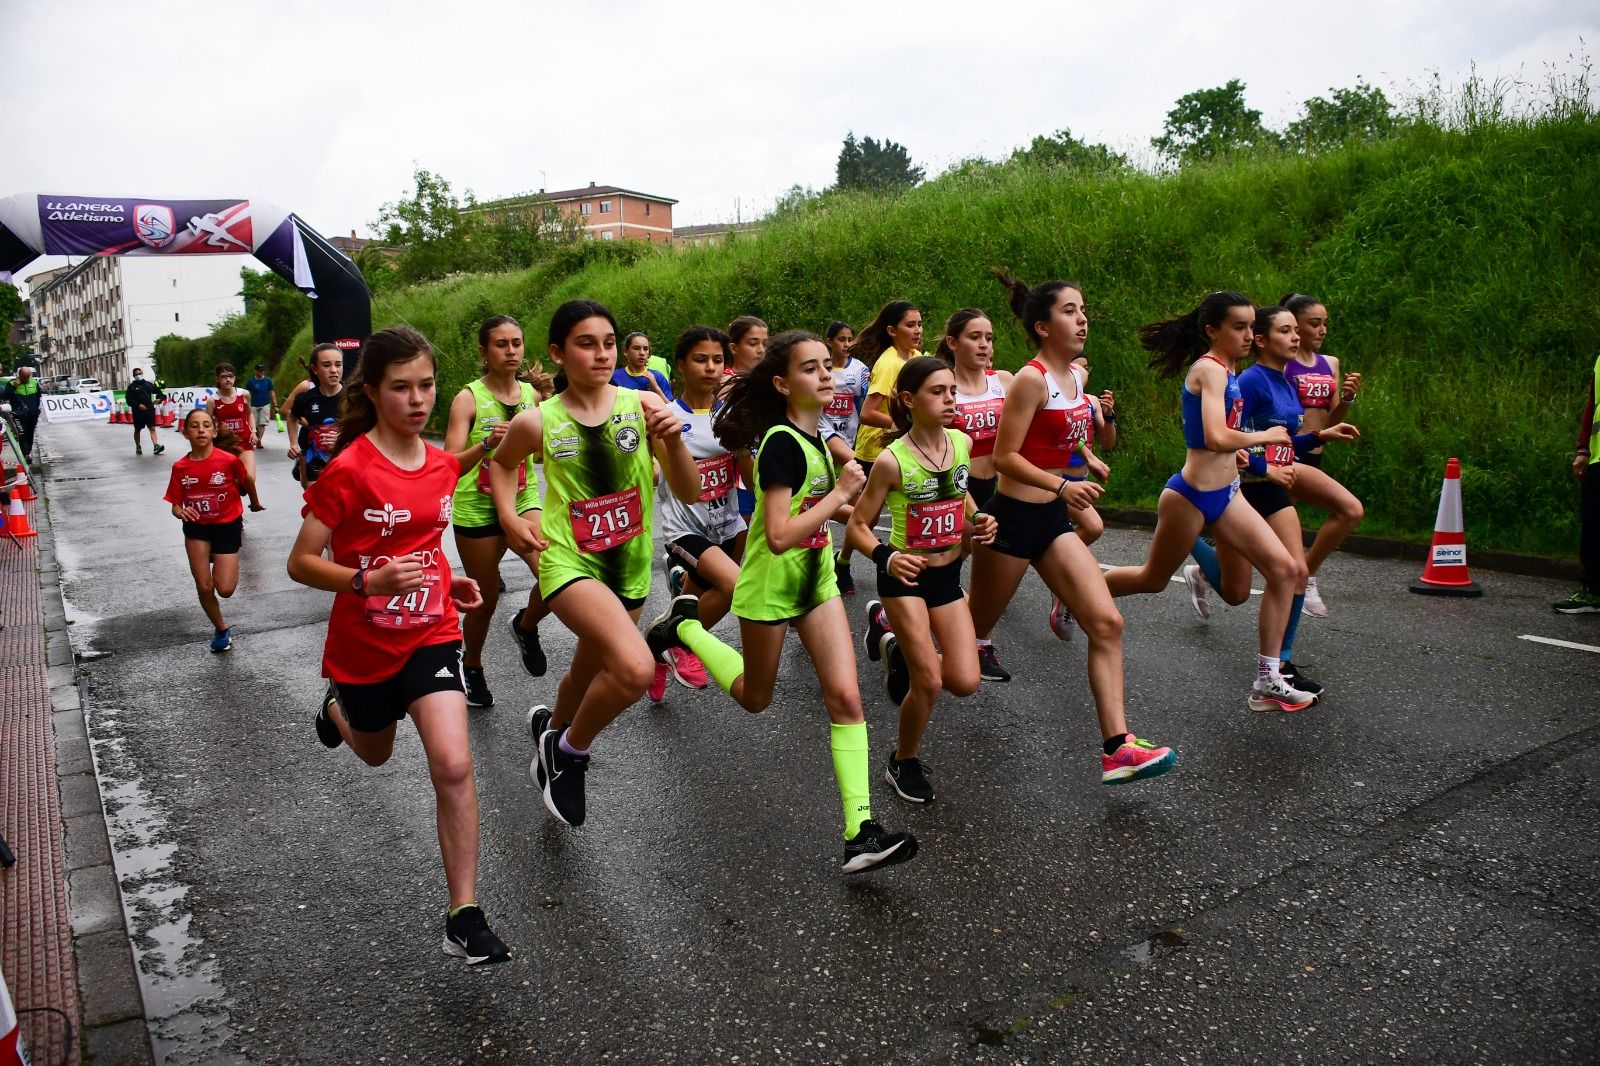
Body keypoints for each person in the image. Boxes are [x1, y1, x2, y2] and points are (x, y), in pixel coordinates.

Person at [644, 329, 919, 873]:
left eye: (827, 366)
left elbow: (814, 504)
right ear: (781, 383)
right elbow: (776, 534)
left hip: (815, 581)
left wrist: (856, 516)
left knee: (845, 698)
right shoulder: (780, 443)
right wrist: (841, 495)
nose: (825, 374)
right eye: (810, 368)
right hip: (770, 585)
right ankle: (684, 630)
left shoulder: (815, 438)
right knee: (755, 697)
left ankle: (860, 830)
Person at [287, 325, 509, 966]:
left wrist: (451, 580)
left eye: (427, 385)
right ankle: (336, 712)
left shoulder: (442, 464)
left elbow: (424, 546)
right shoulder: (349, 471)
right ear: (373, 392)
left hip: (432, 632)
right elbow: (301, 563)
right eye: (401, 388)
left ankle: (463, 913)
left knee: (454, 764)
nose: (418, 400)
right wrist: (366, 580)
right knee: (377, 756)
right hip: (363, 647)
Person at [485, 299, 705, 832]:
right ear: (559, 353)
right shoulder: (539, 420)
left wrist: (673, 441)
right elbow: (501, 465)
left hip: (628, 565)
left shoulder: (641, 406)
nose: (602, 353)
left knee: (584, 677)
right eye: (587, 344)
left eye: (609, 342)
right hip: (567, 562)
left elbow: (689, 489)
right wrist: (513, 517)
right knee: (632, 669)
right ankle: (570, 752)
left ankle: (552, 731)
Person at [962, 273, 1177, 783]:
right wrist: (1061, 487)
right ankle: (900, 635)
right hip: (1011, 521)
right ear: (1042, 326)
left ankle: (1117, 748)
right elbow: (1005, 457)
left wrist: (1086, 460)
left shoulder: (1075, 380)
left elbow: (1063, 435)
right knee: (967, 637)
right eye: (1070, 311)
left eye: (1084, 310)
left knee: (1106, 623)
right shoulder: (1030, 379)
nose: (1082, 319)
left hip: (1053, 523)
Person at [1102, 291, 1316, 713]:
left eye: (1252, 326)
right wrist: (1264, 437)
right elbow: (1216, 436)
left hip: (1229, 493)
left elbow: (1221, 442)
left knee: (1287, 570)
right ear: (1212, 330)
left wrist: (1253, 457)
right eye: (1239, 327)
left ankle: (1267, 678)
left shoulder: (1231, 370)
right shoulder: (1209, 369)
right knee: (1152, 579)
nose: (1248, 334)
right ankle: (1079, 596)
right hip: (1191, 496)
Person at [1184, 307, 1360, 696]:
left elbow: (1281, 438)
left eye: (1298, 330)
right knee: (1235, 593)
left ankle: (1280, 666)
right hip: (1246, 488)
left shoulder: (1285, 382)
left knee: (1294, 572)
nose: (1297, 337)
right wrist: (1265, 470)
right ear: (1262, 339)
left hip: (1274, 488)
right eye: (1286, 331)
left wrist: (1320, 437)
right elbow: (1233, 442)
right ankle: (1192, 543)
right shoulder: (1249, 381)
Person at [846, 356, 994, 804]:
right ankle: (902, 760)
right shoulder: (892, 461)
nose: (950, 398)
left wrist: (979, 517)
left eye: (953, 390)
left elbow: (961, 488)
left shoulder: (962, 443)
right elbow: (856, 525)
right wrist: (886, 557)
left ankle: (887, 635)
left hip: (948, 576)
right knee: (927, 680)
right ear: (909, 400)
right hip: (905, 577)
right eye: (938, 391)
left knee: (966, 681)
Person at [443, 315, 554, 709]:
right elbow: (448, 464)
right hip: (478, 510)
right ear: (484, 352)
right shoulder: (468, 399)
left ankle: (525, 625)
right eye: (501, 344)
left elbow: (543, 453)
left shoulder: (532, 396)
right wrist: (486, 444)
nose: (511, 351)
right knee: (484, 601)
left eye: (517, 343)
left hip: (523, 500)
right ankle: (471, 665)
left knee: (554, 572)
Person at [649, 326, 745, 700]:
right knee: (734, 587)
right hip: (686, 530)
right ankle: (679, 645)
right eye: (700, 359)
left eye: (718, 360)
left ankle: (657, 646)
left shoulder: (733, 415)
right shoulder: (667, 418)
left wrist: (743, 447)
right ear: (681, 365)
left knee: (691, 601)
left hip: (729, 526)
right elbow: (683, 488)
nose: (710, 368)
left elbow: (751, 483)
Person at [1278, 293, 1365, 617]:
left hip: (1313, 454)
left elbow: (1331, 420)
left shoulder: (1330, 363)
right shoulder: (1282, 363)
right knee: (1347, 511)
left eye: (1325, 323)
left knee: (1260, 534)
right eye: (1315, 323)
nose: (1323, 329)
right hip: (1286, 456)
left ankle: (1203, 574)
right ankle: (1306, 576)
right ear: (1294, 325)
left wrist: (1347, 399)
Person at [164, 408, 263, 652]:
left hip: (227, 526)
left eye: (206, 425)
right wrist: (180, 512)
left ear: (214, 431)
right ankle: (221, 629)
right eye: (194, 426)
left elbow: (247, 480)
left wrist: (254, 501)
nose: (200, 430)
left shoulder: (228, 461)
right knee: (204, 586)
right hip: (196, 529)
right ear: (185, 432)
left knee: (226, 589)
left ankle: (215, 556)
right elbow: (175, 505)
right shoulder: (180, 467)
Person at [942, 308, 1011, 510]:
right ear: (952, 343)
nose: (984, 345)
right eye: (975, 337)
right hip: (955, 484)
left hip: (998, 484)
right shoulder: (942, 386)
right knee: (968, 541)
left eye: (989, 338)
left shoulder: (1004, 381)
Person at [821, 320, 869, 593]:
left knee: (861, 511)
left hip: (851, 443)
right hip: (823, 441)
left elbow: (864, 407)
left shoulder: (860, 370)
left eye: (850, 338)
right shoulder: (821, 369)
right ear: (830, 341)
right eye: (841, 339)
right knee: (819, 500)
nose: (847, 344)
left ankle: (843, 561)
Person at [1556, 349, 1600, 612]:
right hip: (1598, 458)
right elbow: (1592, 404)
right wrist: (1583, 448)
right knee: (1593, 527)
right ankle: (1593, 592)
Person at [285, 343, 344, 486]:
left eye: (338, 364)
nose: (334, 370)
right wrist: (293, 444)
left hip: (346, 463)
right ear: (314, 369)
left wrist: (342, 439)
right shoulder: (306, 399)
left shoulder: (354, 397)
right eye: (326, 365)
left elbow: (369, 430)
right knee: (315, 504)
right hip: (315, 461)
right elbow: (291, 417)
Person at [206, 363, 259, 490]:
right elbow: (207, 423)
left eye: (230, 376)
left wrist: (253, 431)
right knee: (229, 481)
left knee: (249, 480)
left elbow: (249, 414)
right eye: (224, 376)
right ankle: (233, 503)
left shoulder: (244, 394)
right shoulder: (212, 400)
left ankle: (242, 493)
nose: (228, 379)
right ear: (217, 379)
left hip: (245, 442)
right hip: (225, 445)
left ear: (235, 378)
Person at [613, 331, 673, 401]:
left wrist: (656, 389)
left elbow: (670, 408)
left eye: (645, 349)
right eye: (636, 348)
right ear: (626, 351)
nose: (642, 353)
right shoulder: (615, 377)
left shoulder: (657, 377)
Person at [0, 365, 42, 458]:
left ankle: (28, 451)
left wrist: (37, 410)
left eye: (28, 377)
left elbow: (38, 397)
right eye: (24, 377)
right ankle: (26, 454)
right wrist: (14, 386)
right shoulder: (11, 384)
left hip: (32, 414)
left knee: (30, 433)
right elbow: (6, 396)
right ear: (20, 375)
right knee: (22, 433)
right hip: (19, 414)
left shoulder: (34, 383)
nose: (26, 379)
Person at [125, 368, 166, 456]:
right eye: (136, 374)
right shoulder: (131, 387)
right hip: (137, 412)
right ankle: (138, 446)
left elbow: (159, 392)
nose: (138, 375)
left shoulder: (148, 384)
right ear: (134, 376)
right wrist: (138, 405)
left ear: (142, 373)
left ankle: (156, 445)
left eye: (140, 373)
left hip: (149, 410)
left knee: (152, 428)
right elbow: (128, 400)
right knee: (137, 430)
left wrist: (159, 398)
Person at [245, 364, 277, 447]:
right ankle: (255, 437)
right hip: (253, 405)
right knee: (254, 424)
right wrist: (246, 404)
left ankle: (259, 440)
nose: (261, 372)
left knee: (262, 423)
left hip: (265, 404)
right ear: (255, 371)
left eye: (262, 370)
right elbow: (248, 394)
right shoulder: (251, 381)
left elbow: (271, 393)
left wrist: (275, 405)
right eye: (259, 370)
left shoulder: (268, 381)